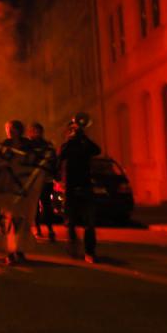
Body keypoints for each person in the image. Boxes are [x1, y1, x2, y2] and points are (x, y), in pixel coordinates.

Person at [58, 112, 101, 263]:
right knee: (71, 222)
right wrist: (70, 139)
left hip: (85, 186)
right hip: (70, 187)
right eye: (72, 129)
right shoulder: (68, 145)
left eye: (76, 129)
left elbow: (97, 150)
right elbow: (60, 155)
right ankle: (73, 246)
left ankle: (90, 252)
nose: (75, 131)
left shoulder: (85, 144)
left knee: (89, 223)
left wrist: (84, 137)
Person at [0, 120, 33, 264]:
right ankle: (10, 252)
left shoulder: (28, 145)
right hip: (8, 187)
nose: (8, 131)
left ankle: (19, 251)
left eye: (11, 128)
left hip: (24, 187)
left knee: (21, 221)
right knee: (9, 221)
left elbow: (33, 161)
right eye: (7, 128)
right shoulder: (4, 145)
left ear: (18, 130)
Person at [28, 122, 57, 242]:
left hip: (45, 179)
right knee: (35, 206)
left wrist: (53, 173)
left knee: (46, 205)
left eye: (37, 131)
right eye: (33, 131)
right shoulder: (28, 145)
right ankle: (38, 228)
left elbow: (54, 160)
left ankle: (49, 229)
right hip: (34, 180)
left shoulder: (47, 145)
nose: (35, 133)